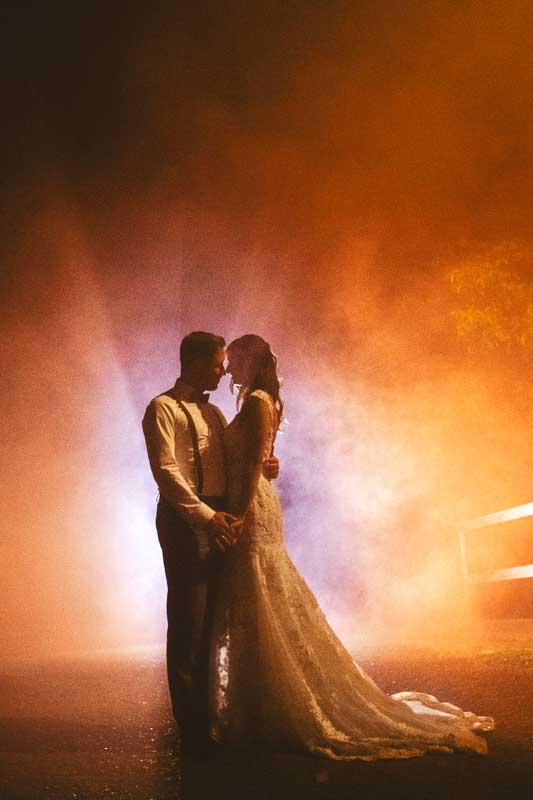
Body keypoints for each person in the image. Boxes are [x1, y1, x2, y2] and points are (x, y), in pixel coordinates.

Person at [209, 334, 494, 760]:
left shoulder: (256, 403)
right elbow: (261, 459)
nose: (228, 370)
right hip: (257, 500)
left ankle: (269, 705)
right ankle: (262, 700)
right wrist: (264, 471)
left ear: (248, 362)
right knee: (259, 597)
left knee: (260, 593)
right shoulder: (261, 401)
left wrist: (237, 514)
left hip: (250, 506)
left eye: (232, 361)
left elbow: (252, 466)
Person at [142, 331, 279, 756]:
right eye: (218, 363)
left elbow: (235, 460)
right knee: (189, 619)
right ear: (197, 362)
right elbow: (167, 472)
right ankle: (193, 729)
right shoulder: (161, 408)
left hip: (223, 516)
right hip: (187, 520)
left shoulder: (216, 413)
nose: (223, 372)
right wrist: (206, 516)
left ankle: (213, 714)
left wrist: (266, 464)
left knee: (216, 618)